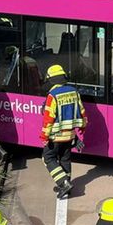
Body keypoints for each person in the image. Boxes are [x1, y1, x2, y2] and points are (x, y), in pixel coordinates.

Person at [40, 64, 86, 199]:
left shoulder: (52, 95)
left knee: (48, 158)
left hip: (55, 136)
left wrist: (44, 136)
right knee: (65, 159)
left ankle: (63, 183)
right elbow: (82, 111)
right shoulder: (74, 91)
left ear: (51, 80)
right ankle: (67, 186)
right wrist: (82, 128)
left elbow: (48, 118)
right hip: (70, 135)